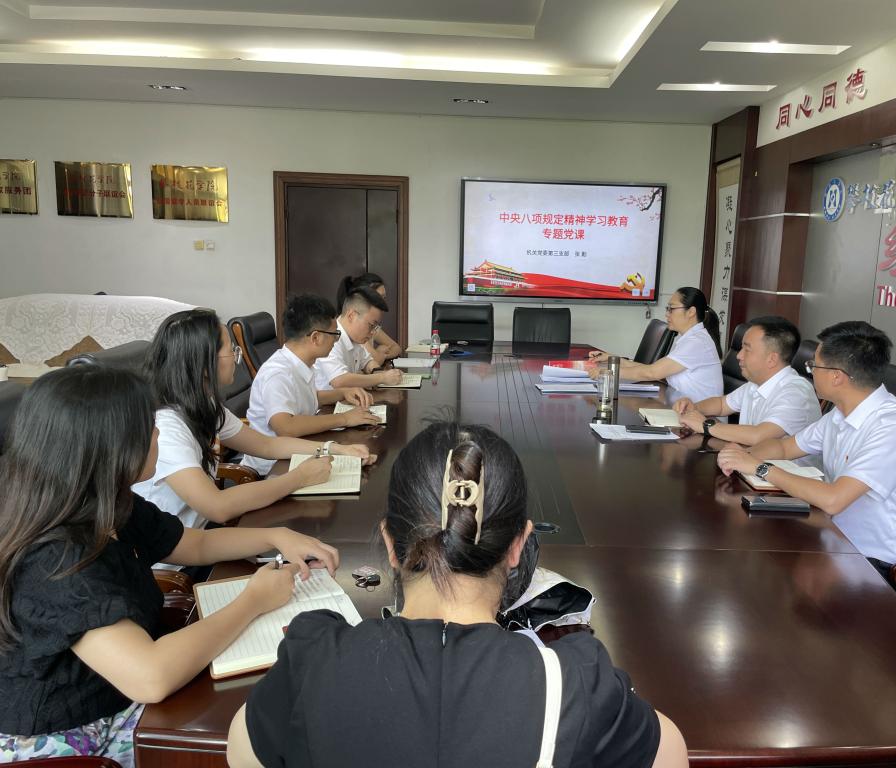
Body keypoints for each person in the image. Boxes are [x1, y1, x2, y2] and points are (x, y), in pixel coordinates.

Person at [226, 423, 688, 768]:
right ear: (518, 547)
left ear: (390, 544)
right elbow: (672, 752)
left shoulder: (314, 661)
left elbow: (240, 749)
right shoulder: (575, 687)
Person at [0, 365, 339, 766]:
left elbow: (195, 544)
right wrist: (253, 600)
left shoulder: (109, 502)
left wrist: (276, 536)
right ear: (111, 447)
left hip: (124, 687)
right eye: (148, 427)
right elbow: (151, 676)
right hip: (73, 735)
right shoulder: (55, 558)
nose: (158, 434)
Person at [717, 321, 896, 600]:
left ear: (836, 377)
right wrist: (742, 456)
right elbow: (784, 447)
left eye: (813, 367)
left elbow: (834, 500)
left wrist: (760, 468)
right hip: (837, 544)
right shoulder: (840, 414)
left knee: (768, 591)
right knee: (755, 569)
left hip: (887, 568)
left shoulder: (892, 426)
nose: (810, 373)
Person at [133, 309, 375, 537]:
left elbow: (267, 445)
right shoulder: (167, 429)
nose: (236, 359)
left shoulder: (204, 405)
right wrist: (300, 478)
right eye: (231, 350)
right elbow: (218, 507)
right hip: (178, 556)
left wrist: (334, 448)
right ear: (204, 365)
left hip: (202, 534)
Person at [242, 294, 381, 476]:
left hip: (297, 452)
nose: (336, 340)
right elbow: (285, 426)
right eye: (335, 334)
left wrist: (343, 393)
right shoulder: (278, 373)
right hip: (271, 470)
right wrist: (345, 418)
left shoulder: (301, 363)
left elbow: (307, 397)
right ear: (316, 338)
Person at [674, 316, 820, 445]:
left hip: (778, 467)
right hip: (747, 460)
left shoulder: (796, 393)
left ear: (772, 359)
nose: (739, 355)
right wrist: (693, 408)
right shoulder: (756, 383)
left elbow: (758, 436)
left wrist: (705, 425)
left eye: (747, 349)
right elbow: (722, 405)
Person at [589, 287, 722, 402]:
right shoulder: (692, 339)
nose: (667, 314)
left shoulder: (696, 343)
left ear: (691, 312)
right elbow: (652, 369)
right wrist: (612, 359)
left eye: (671, 309)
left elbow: (651, 373)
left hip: (701, 416)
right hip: (682, 407)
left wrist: (608, 372)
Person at [314, 287, 403, 390]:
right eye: (371, 325)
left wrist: (382, 373)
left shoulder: (355, 338)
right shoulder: (331, 337)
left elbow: (368, 362)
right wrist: (382, 377)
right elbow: (339, 380)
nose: (373, 332)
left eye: (376, 327)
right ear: (351, 315)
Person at [336, 272, 404, 365]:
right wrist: (379, 353)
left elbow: (396, 348)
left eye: (384, 298)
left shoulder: (369, 327)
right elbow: (375, 359)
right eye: (378, 297)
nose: (382, 302)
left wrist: (381, 355)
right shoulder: (354, 331)